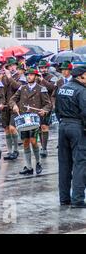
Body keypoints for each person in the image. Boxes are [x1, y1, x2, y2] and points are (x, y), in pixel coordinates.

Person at [10, 68, 52, 176]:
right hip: (24, 119)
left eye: (32, 75)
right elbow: (12, 99)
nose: (29, 76)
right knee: (25, 142)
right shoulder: (22, 88)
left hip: (35, 119)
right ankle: (28, 166)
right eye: (28, 75)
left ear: (36, 76)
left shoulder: (41, 89)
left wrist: (45, 110)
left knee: (33, 141)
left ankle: (38, 163)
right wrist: (14, 105)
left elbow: (48, 104)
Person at [55, 65, 86, 208]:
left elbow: (56, 110)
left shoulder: (62, 88)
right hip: (77, 127)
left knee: (64, 164)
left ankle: (64, 199)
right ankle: (78, 199)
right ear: (81, 76)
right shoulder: (82, 91)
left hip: (63, 126)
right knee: (80, 163)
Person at [0, 57, 24, 161]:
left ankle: (16, 150)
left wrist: (10, 78)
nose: (12, 67)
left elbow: (18, 87)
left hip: (16, 106)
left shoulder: (21, 76)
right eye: (10, 66)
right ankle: (9, 151)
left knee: (12, 128)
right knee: (6, 129)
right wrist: (0, 79)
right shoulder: (4, 77)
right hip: (5, 106)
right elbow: (1, 92)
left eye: (13, 65)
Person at [37, 59, 58, 158]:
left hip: (48, 104)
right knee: (39, 127)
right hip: (37, 105)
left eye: (45, 67)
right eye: (41, 68)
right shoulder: (36, 77)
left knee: (44, 126)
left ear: (47, 68)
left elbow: (53, 88)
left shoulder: (52, 77)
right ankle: (42, 146)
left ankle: (44, 148)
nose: (43, 69)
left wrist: (43, 80)